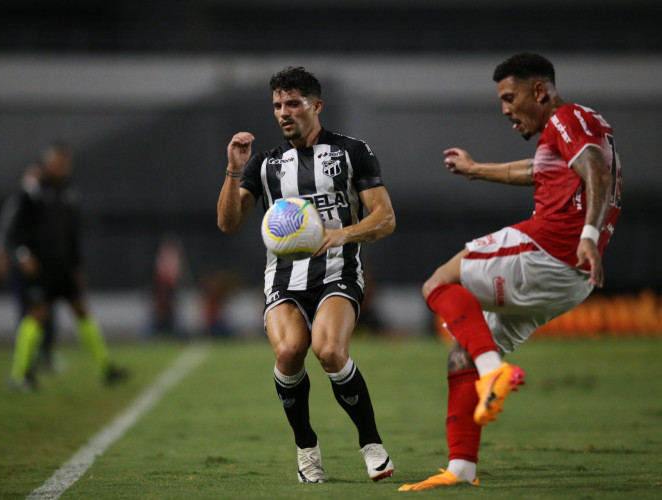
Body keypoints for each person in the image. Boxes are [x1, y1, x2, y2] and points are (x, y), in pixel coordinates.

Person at [399, 52, 622, 491]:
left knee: (439, 281)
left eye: (509, 97)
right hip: (571, 281)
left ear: (539, 90)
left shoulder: (565, 118)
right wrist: (476, 170)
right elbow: (538, 172)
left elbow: (595, 168)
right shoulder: (576, 125)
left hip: (548, 249)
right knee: (462, 351)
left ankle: (493, 370)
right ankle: (460, 470)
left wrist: (590, 233)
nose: (504, 109)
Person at [217, 66, 397, 483]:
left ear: (316, 106)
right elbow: (228, 222)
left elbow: (385, 219)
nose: (284, 112)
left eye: (293, 103)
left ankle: (371, 444)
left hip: (338, 272)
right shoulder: (263, 163)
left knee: (330, 352)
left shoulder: (352, 151)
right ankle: (306, 450)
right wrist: (233, 169)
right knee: (288, 352)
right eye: (278, 105)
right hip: (283, 279)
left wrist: (340, 235)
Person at [6, 142, 127, 391]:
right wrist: (23, 254)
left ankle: (106, 368)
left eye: (65, 163)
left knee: (82, 310)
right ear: (48, 163)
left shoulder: (70, 192)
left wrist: (77, 267)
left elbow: (72, 235)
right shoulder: (33, 189)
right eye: (58, 162)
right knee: (38, 314)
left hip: (63, 267)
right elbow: (17, 229)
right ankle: (19, 375)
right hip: (41, 266)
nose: (62, 167)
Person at [0, 164, 57, 370]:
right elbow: (6, 233)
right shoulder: (20, 199)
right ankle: (25, 361)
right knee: (27, 310)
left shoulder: (43, 200)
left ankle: (42, 354)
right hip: (24, 265)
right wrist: (11, 257)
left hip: (42, 266)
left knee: (45, 310)